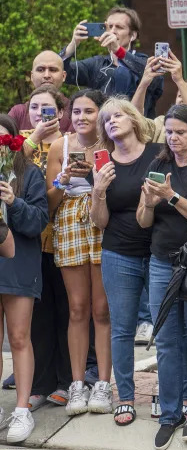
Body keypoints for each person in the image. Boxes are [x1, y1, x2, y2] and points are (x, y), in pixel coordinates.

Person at [136, 104, 187, 449]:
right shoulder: (159, 164)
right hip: (161, 262)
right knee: (167, 342)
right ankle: (170, 413)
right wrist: (150, 202)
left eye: (180, 132)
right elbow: (143, 222)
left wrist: (170, 196)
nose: (173, 138)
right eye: (169, 132)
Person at [89, 98, 162, 426]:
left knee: (166, 329)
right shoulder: (103, 163)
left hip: (160, 251)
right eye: (106, 120)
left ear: (133, 120)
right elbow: (99, 221)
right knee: (121, 328)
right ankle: (127, 398)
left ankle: (165, 394)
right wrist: (98, 190)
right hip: (119, 253)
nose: (112, 122)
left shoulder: (157, 153)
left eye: (118, 115)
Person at [45, 89, 110, 417]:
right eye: (77, 111)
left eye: (89, 111)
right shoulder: (61, 146)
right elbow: (49, 203)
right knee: (77, 308)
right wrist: (63, 178)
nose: (82, 117)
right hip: (70, 219)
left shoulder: (109, 143)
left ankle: (103, 383)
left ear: (101, 113)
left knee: (101, 309)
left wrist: (99, 180)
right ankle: (76, 384)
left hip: (101, 219)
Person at [21, 86, 72, 408]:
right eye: (36, 107)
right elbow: (8, 166)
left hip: (64, 238)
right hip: (29, 243)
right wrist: (33, 137)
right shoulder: (18, 141)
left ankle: (67, 381)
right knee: (37, 317)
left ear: (61, 112)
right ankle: (39, 383)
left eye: (48, 107)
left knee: (67, 312)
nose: (42, 113)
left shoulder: (69, 142)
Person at [0, 114, 49, 443]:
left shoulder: (29, 175)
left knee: (19, 338)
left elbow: (38, 222)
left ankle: (21, 410)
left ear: (15, 142)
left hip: (19, 264)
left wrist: (13, 201)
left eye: (3, 139)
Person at [61, 7, 163, 117]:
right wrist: (73, 44)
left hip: (137, 129)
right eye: (109, 27)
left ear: (133, 35)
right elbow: (64, 73)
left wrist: (118, 50)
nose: (113, 31)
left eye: (119, 27)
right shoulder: (97, 63)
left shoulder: (144, 61)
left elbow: (154, 78)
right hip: (102, 128)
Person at [132, 52, 187, 142]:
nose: (182, 98)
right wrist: (144, 83)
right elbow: (134, 122)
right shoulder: (160, 124)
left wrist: (179, 80)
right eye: (179, 95)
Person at [7, 51, 72, 133]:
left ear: (63, 76)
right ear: (32, 76)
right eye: (40, 70)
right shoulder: (18, 112)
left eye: (53, 70)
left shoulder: (76, 111)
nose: (46, 75)